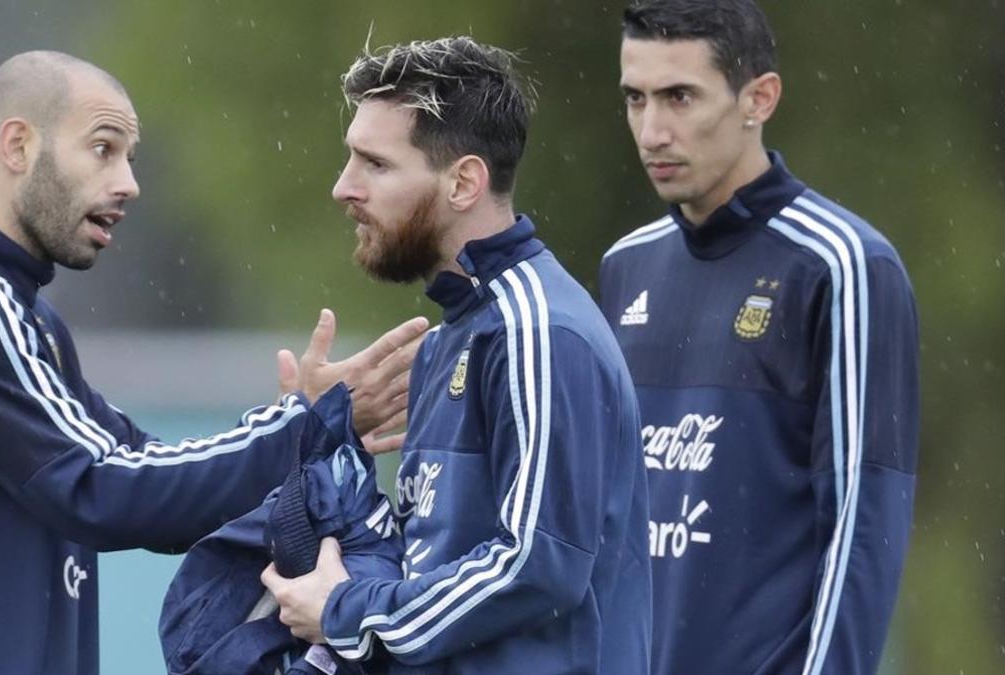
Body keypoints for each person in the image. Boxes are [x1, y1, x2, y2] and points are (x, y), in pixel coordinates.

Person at [0, 50, 427, 675]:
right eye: (103, 148)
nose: (128, 184)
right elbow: (105, 487)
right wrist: (302, 424)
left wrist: (299, 428)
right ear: (18, 146)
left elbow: (148, 481)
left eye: (129, 159)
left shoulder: (13, 312)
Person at [262, 36, 652, 673]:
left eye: (375, 164)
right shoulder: (454, 335)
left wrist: (346, 612)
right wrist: (320, 443)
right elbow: (432, 565)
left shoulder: (537, 330)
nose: (343, 188)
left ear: (464, 182)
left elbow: (536, 564)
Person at [597, 2, 920, 673]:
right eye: (636, 99)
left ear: (758, 98)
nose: (652, 130)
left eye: (680, 97)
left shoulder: (844, 266)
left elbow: (862, 533)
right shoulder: (625, 266)